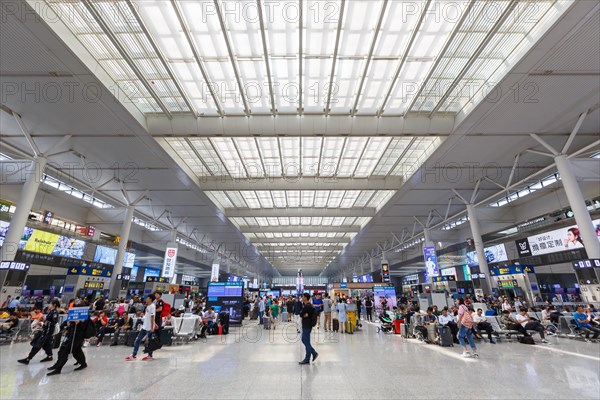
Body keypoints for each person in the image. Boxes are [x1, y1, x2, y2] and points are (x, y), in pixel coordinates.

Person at [18, 300, 60, 365]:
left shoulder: (54, 312)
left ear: (54, 305)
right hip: (46, 330)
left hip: (48, 332)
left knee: (38, 344)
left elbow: (54, 322)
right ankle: (49, 356)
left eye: (50, 304)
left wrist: (44, 323)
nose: (49, 305)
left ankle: (28, 358)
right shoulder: (51, 312)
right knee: (46, 344)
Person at [126, 294, 157, 361]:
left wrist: (152, 327)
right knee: (137, 340)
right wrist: (155, 324)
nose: (146, 299)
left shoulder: (152, 306)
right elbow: (149, 317)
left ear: (150, 299)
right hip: (144, 327)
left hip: (149, 328)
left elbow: (152, 317)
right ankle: (134, 355)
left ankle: (150, 355)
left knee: (149, 342)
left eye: (147, 298)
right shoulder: (148, 306)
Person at [298, 293, 318, 365]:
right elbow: (303, 314)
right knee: (304, 340)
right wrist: (304, 315)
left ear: (306, 298)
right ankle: (314, 352)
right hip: (307, 325)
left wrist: (304, 314)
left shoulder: (307, 306)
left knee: (306, 341)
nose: (301, 298)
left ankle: (307, 358)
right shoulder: (309, 306)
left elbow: (301, 314)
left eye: (302, 297)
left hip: (307, 325)